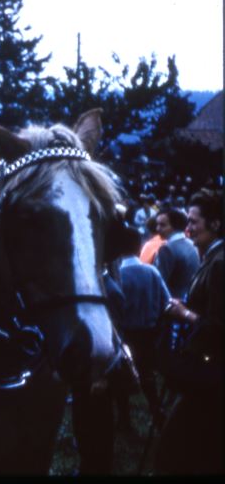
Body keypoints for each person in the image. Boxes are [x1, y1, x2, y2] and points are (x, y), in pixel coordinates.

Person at [155, 188, 223, 474]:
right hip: (206, 372)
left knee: (174, 450)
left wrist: (184, 314)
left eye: (194, 222)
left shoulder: (219, 263)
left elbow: (218, 327)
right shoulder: (211, 257)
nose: (188, 228)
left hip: (210, 374)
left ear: (215, 224)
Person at [108, 225, 172, 427]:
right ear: (139, 247)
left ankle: (124, 418)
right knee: (147, 373)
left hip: (125, 333)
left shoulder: (117, 275)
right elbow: (166, 300)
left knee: (121, 374)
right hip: (148, 333)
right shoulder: (152, 271)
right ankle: (156, 409)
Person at [153, 208, 200, 299]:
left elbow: (158, 283)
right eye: (157, 224)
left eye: (162, 225)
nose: (157, 229)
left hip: (171, 301)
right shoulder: (192, 244)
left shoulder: (167, 249)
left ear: (175, 226)